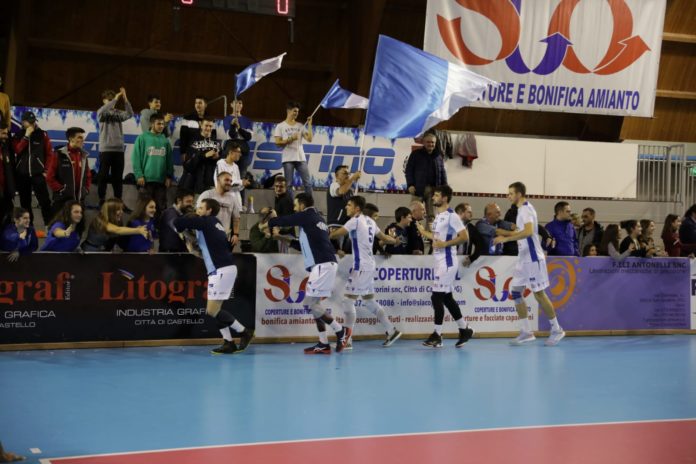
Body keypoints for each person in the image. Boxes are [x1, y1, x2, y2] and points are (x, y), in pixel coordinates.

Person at [262, 193, 347, 354]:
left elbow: (286, 220)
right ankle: (323, 343)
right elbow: (301, 246)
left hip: (322, 264)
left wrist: (272, 220)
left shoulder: (307, 215)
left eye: (295, 205)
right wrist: (280, 236)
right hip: (322, 264)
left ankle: (340, 331)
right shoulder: (315, 219)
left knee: (309, 304)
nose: (294, 208)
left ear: (302, 205)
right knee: (315, 305)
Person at [174, 198, 254, 354]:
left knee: (211, 310)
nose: (198, 210)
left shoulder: (205, 221)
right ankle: (228, 343)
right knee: (217, 309)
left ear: (208, 211)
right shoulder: (216, 225)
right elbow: (212, 249)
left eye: (200, 208)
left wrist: (183, 221)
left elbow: (178, 223)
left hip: (221, 270)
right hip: (222, 269)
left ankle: (244, 331)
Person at [493, 182, 565, 346]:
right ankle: (526, 332)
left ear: (519, 194)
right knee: (516, 292)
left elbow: (527, 232)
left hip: (533, 258)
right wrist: (502, 232)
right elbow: (521, 231)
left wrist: (506, 238)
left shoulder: (526, 209)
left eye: (510, 193)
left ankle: (557, 329)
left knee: (539, 294)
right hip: (523, 259)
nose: (508, 196)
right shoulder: (521, 210)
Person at [329, 195, 401, 349]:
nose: (346, 207)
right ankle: (391, 330)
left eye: (348, 205)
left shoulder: (355, 220)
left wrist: (326, 232)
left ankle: (346, 340)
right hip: (369, 264)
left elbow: (337, 234)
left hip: (361, 266)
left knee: (348, 301)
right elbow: (384, 238)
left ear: (357, 208)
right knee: (369, 300)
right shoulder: (371, 222)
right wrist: (395, 240)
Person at [415, 185, 474, 348]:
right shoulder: (439, 216)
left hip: (447, 262)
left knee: (436, 297)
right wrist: (423, 232)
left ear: (445, 198)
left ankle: (437, 335)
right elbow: (435, 238)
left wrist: (446, 243)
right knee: (447, 297)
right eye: (433, 195)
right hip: (439, 260)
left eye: (437, 195)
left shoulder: (451, 216)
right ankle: (464, 329)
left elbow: (464, 237)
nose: (433, 197)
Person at [13, 111, 54, 227]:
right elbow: (17, 150)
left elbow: (50, 154)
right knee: (25, 203)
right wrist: (26, 136)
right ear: (23, 122)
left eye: (33, 122)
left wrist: (46, 171)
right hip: (22, 174)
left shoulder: (43, 134)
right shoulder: (18, 135)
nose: (31, 125)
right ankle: (29, 227)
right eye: (28, 122)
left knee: (45, 201)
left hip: (38, 174)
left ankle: (49, 226)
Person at [97, 87, 133, 209]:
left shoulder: (117, 113)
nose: (112, 101)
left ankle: (118, 201)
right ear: (104, 101)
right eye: (109, 100)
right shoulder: (101, 113)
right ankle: (102, 199)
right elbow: (103, 111)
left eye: (113, 99)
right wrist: (115, 99)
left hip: (118, 150)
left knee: (117, 178)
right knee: (102, 176)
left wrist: (125, 99)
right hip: (105, 150)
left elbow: (130, 114)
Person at [132, 113, 174, 218]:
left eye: (163, 124)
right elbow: (136, 158)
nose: (161, 126)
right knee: (142, 208)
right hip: (146, 180)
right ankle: (140, 231)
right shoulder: (142, 138)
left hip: (161, 181)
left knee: (160, 208)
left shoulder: (165, 141)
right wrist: (139, 175)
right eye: (158, 123)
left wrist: (169, 176)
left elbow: (169, 160)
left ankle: (158, 231)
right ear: (151, 124)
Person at [273, 101, 314, 198]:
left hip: (301, 157)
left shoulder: (300, 125)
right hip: (288, 159)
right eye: (294, 111)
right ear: (288, 111)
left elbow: (309, 139)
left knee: (307, 183)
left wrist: (309, 125)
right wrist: (291, 138)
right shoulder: (280, 126)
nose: (296, 113)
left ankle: (309, 205)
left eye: (297, 111)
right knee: (289, 184)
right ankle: (290, 206)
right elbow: (278, 143)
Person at [46, 127, 91, 213]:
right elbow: (49, 177)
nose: (83, 140)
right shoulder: (59, 155)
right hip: (62, 202)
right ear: (71, 138)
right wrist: (62, 190)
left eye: (82, 137)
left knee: (80, 226)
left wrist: (86, 189)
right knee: (60, 226)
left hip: (79, 202)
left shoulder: (83, 156)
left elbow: (88, 176)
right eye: (79, 137)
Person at [405, 132, 447, 220]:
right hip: (417, 189)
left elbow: (443, 173)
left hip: (433, 191)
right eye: (428, 142)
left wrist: (445, 189)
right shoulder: (416, 154)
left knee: (432, 216)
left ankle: (430, 233)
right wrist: (410, 185)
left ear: (435, 144)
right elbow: (409, 171)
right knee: (414, 214)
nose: (430, 144)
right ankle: (413, 233)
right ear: (423, 143)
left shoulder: (439, 156)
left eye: (432, 142)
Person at [81, 198, 148, 252]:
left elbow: (121, 240)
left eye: (122, 209)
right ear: (111, 211)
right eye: (118, 209)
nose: (122, 212)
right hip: (89, 252)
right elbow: (117, 230)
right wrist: (138, 230)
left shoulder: (117, 222)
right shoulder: (99, 220)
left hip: (103, 252)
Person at [197, 171, 240, 248]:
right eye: (226, 180)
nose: (229, 183)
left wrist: (236, 234)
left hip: (224, 238)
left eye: (231, 181)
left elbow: (236, 218)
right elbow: (198, 213)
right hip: (207, 237)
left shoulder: (233, 199)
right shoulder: (207, 194)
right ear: (218, 180)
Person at [182, 118, 220, 194]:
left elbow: (220, 165)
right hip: (193, 183)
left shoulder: (216, 144)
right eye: (206, 125)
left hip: (208, 184)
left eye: (210, 126)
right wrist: (204, 155)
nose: (208, 128)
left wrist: (217, 158)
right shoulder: (193, 142)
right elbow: (188, 165)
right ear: (201, 125)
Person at [214, 142, 249, 215]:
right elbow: (222, 184)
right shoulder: (220, 164)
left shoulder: (236, 167)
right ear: (230, 152)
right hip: (224, 202)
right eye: (238, 152)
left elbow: (238, 188)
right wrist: (240, 182)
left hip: (236, 202)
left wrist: (243, 184)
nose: (240, 154)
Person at [179, 96, 217, 163]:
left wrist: (214, 151)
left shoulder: (211, 119)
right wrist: (183, 153)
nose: (197, 105)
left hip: (206, 152)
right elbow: (183, 137)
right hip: (191, 152)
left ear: (205, 105)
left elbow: (213, 137)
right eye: (196, 103)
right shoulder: (187, 118)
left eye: (200, 103)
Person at [159, 188, 195, 252]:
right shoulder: (170, 213)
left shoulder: (184, 214)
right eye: (188, 201)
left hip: (181, 253)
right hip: (170, 254)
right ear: (179, 200)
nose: (191, 205)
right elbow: (176, 226)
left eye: (192, 202)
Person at [225, 98, 253, 178]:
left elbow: (248, 137)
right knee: (229, 176)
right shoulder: (227, 119)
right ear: (231, 105)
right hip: (230, 149)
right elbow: (231, 135)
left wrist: (239, 128)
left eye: (240, 103)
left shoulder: (247, 120)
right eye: (236, 103)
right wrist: (232, 125)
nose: (238, 105)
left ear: (242, 105)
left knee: (241, 177)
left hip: (243, 152)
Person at [0, 124, 15, 226]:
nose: (6, 136)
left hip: (6, 191)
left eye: (7, 133)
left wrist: (11, 189)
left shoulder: (5, 148)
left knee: (8, 218)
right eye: (3, 133)